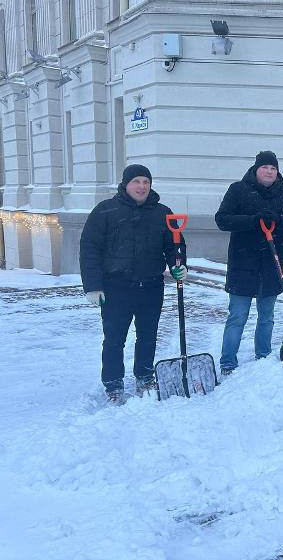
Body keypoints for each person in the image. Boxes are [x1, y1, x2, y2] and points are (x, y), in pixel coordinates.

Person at [79, 164, 187, 404]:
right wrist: (93, 285)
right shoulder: (105, 211)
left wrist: (178, 265)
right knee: (115, 338)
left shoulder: (162, 212)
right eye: (136, 182)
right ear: (126, 184)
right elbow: (90, 249)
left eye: (146, 182)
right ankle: (113, 383)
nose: (141, 187)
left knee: (148, 335)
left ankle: (145, 376)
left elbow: (175, 245)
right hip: (116, 286)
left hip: (151, 286)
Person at [215, 151, 283, 375]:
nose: (269, 171)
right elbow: (222, 220)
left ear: (277, 172)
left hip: (271, 264)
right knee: (237, 316)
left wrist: (279, 220)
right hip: (243, 262)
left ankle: (262, 356)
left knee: (267, 316)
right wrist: (253, 221)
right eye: (265, 167)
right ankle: (228, 362)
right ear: (256, 170)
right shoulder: (238, 190)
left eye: (273, 168)